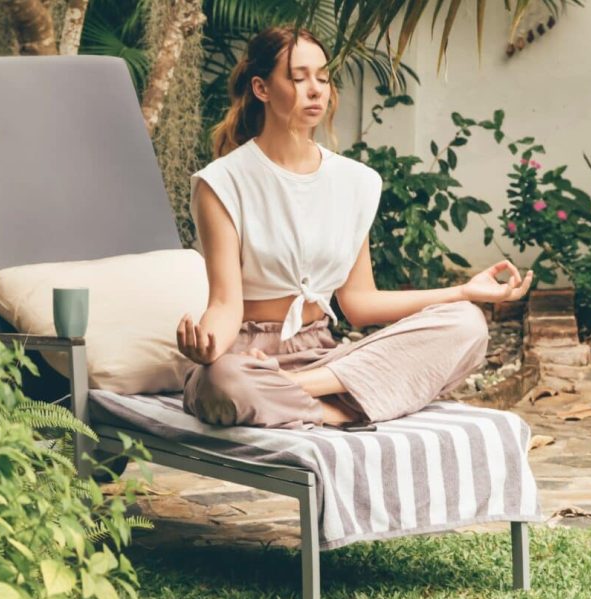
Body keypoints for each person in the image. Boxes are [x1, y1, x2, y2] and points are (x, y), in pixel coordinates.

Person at [177, 26, 533, 429]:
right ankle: (342, 408)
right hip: (250, 359)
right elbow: (226, 304)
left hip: (324, 359)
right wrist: (208, 347)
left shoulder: (354, 181)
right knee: (220, 383)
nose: (316, 90)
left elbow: (359, 303)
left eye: (323, 77)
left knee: (466, 323)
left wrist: (464, 291)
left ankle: (297, 388)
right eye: (298, 78)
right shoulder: (223, 182)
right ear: (261, 88)